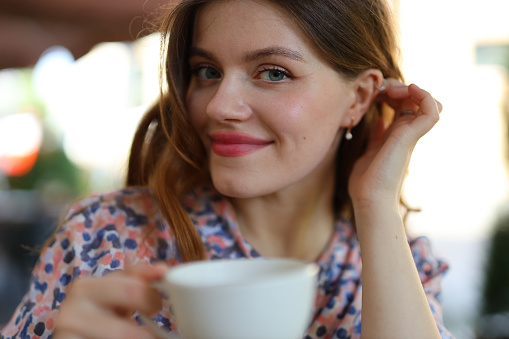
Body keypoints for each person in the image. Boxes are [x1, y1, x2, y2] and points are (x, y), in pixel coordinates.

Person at [1, 0, 454, 338]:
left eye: (273, 72)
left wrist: (376, 203)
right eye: (207, 71)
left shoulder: (396, 261)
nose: (218, 106)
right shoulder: (101, 240)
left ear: (357, 99)